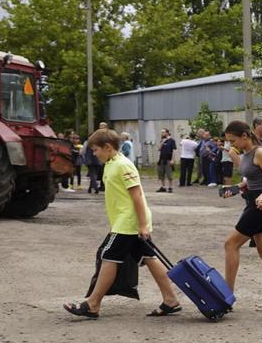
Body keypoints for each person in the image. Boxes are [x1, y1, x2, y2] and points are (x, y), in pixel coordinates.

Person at [63, 129, 183, 319]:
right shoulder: (111, 163)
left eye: (95, 150)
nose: (94, 154)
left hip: (130, 221)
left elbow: (137, 196)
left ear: (107, 147)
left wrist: (142, 225)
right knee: (149, 257)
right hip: (126, 221)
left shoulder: (123, 165)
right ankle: (171, 300)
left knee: (108, 256)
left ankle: (93, 304)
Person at [220, 120, 262, 309]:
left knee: (230, 244)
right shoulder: (247, 153)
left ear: (244, 136)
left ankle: (227, 296)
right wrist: (236, 187)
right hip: (254, 200)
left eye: (233, 140)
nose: (232, 145)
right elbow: (252, 177)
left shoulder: (260, 153)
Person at [156, 128, 176, 193]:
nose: (162, 134)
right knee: (161, 174)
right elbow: (158, 149)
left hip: (168, 159)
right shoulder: (162, 140)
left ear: (167, 133)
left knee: (169, 174)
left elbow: (174, 151)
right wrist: (163, 142)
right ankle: (163, 187)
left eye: (163, 132)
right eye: (161, 132)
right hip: (161, 159)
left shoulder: (172, 140)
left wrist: (172, 160)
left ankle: (170, 187)